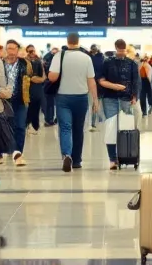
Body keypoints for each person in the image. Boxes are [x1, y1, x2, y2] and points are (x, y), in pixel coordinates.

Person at [48, 32, 100, 172]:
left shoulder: (59, 56)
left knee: (65, 127)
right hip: (81, 98)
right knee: (78, 130)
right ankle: (77, 161)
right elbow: (91, 81)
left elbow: (52, 77)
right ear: (78, 41)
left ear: (67, 41)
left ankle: (66, 155)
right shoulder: (86, 58)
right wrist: (95, 100)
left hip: (63, 97)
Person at [98, 39, 141, 169]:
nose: (121, 52)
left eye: (123, 50)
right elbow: (101, 79)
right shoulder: (108, 62)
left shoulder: (130, 63)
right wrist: (116, 87)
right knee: (112, 127)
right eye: (120, 50)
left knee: (125, 129)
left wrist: (135, 96)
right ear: (116, 48)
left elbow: (136, 81)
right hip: (113, 97)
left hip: (124, 98)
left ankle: (125, 155)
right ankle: (113, 158)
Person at [0, 39, 31, 167]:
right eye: (8, 48)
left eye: (13, 48)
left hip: (20, 99)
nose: (10, 51)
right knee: (2, 127)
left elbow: (29, 77)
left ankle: (18, 154)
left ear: (18, 50)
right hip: (2, 100)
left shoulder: (24, 63)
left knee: (20, 126)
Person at [24, 45, 46, 135]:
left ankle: (35, 126)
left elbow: (43, 76)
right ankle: (28, 124)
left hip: (38, 88)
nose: (32, 53)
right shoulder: (24, 61)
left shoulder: (38, 61)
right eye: (30, 51)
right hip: (28, 88)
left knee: (36, 106)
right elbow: (26, 76)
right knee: (30, 107)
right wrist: (32, 78)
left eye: (33, 51)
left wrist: (40, 79)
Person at [42, 45, 60, 126]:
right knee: (53, 104)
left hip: (49, 85)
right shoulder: (57, 59)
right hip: (53, 85)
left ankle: (49, 119)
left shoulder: (46, 58)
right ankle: (51, 119)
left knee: (50, 104)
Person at [89, 45, 105, 131]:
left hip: (91, 83)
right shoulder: (102, 58)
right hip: (101, 83)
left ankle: (93, 122)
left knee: (94, 103)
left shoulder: (89, 59)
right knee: (98, 102)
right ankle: (100, 118)